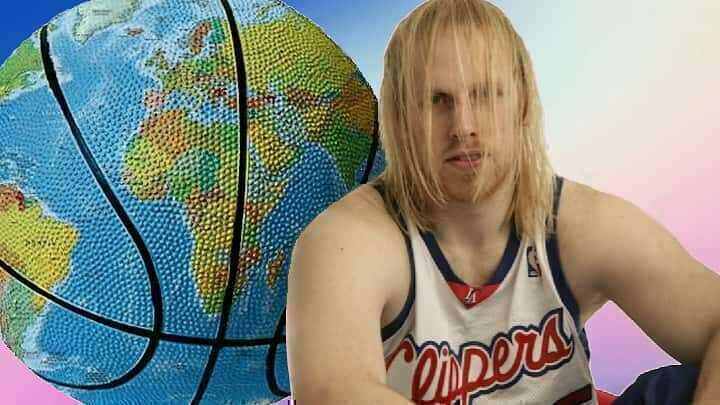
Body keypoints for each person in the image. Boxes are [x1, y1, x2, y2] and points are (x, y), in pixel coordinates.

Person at [285, 0, 720, 403]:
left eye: (484, 94)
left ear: (522, 102)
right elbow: (334, 391)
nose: (464, 125)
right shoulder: (346, 243)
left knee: (680, 388)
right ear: (399, 117)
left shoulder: (582, 224)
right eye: (437, 100)